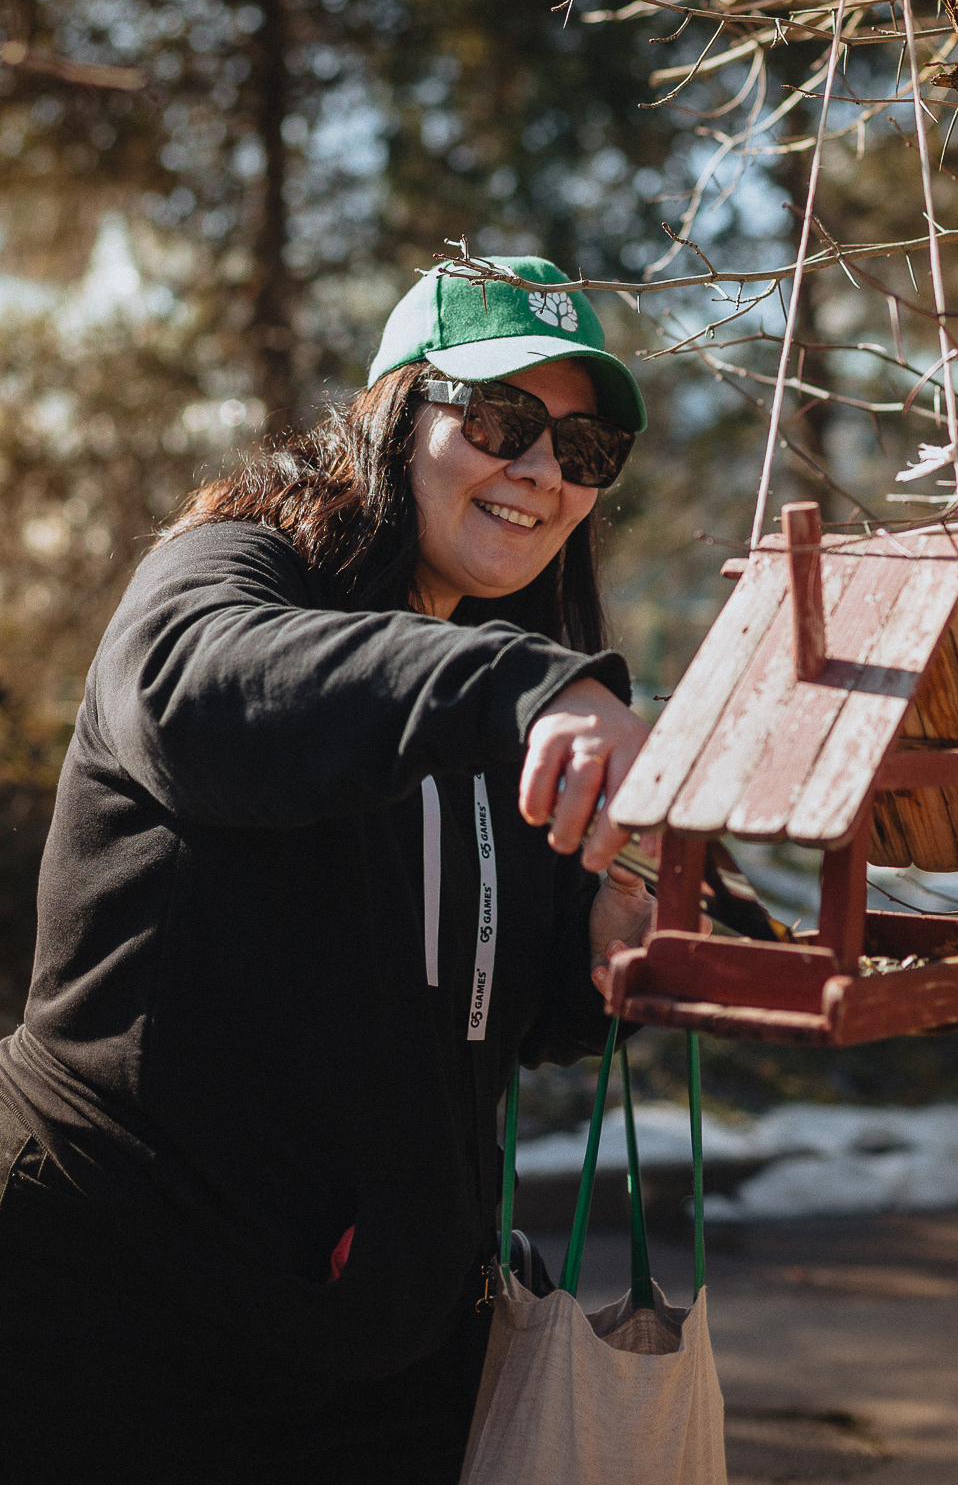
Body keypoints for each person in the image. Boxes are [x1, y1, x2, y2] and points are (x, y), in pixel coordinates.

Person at [0, 257, 658, 1483]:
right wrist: (526, 687)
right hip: (120, 1314)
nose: (540, 469)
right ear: (394, 413)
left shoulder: (491, 674)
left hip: (383, 1348)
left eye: (583, 449)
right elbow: (200, 693)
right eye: (501, 418)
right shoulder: (233, 570)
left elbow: (480, 1003)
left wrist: (602, 947)